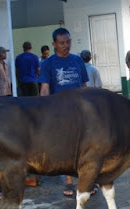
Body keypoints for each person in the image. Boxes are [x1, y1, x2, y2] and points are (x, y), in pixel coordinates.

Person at [39, 27, 91, 197]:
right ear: (54, 44)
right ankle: (69, 182)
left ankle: (86, 181)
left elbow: (84, 86)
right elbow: (45, 88)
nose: (65, 45)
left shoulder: (77, 61)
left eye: (68, 42)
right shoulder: (47, 64)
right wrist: (43, 110)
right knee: (66, 147)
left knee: (84, 146)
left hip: (79, 111)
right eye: (61, 43)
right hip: (59, 112)